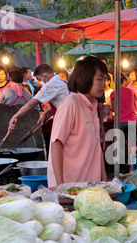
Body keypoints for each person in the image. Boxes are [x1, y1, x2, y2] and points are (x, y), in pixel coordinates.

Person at [48, 56, 108, 187]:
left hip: (90, 187)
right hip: (70, 187)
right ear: (85, 78)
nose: (104, 84)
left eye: (105, 79)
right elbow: (57, 144)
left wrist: (105, 183)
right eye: (99, 79)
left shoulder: (93, 105)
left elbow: (97, 148)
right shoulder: (71, 103)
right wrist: (60, 186)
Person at [7, 64, 69, 132]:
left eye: (40, 79)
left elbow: (31, 104)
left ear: (45, 76)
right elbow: (61, 103)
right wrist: (45, 113)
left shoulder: (51, 84)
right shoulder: (60, 80)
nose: (41, 82)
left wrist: (15, 116)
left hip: (68, 120)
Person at [110, 73, 137, 174]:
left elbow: (113, 108)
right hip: (131, 120)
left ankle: (121, 170)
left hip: (119, 121)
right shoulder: (131, 91)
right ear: (124, 81)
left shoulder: (114, 93)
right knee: (131, 146)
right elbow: (135, 102)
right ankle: (132, 168)